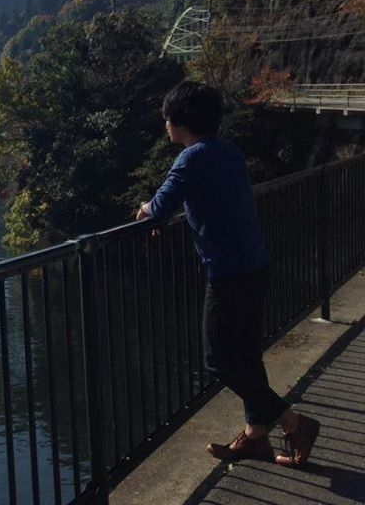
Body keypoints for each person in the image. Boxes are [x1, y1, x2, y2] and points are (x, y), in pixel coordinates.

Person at [136, 80, 319, 466]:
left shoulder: (191, 158)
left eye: (167, 118)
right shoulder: (228, 150)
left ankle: (294, 423)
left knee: (218, 358)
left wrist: (146, 210)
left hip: (229, 272)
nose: (165, 125)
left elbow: (161, 207)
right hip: (255, 263)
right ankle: (256, 437)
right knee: (247, 355)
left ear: (179, 121)